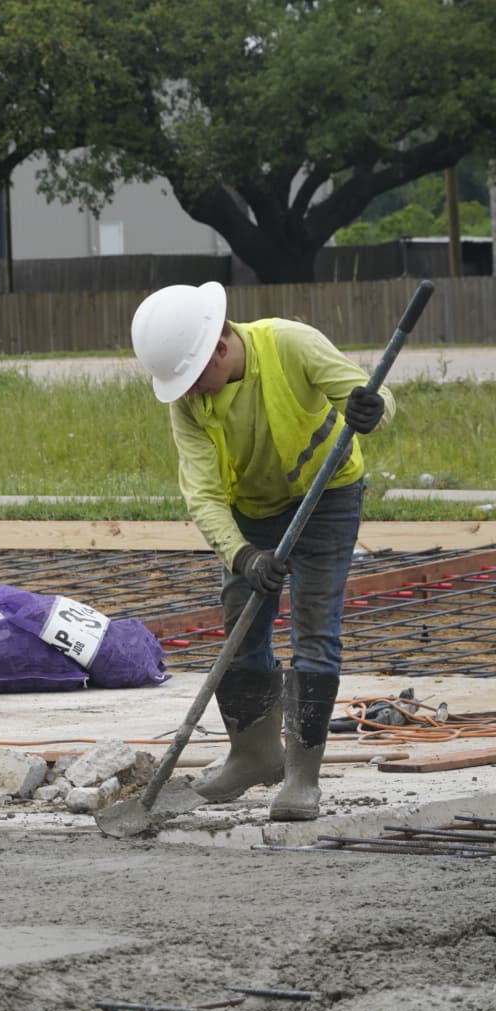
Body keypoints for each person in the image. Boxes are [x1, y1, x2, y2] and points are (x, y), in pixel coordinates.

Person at [131, 282, 394, 822]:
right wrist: (243, 555)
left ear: (219, 348)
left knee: (315, 627)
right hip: (252, 507)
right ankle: (254, 755)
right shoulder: (188, 403)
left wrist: (373, 409)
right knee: (241, 620)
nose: (189, 392)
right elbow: (202, 494)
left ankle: (302, 776)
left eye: (193, 377)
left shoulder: (292, 344)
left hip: (327, 494)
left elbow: (375, 397)